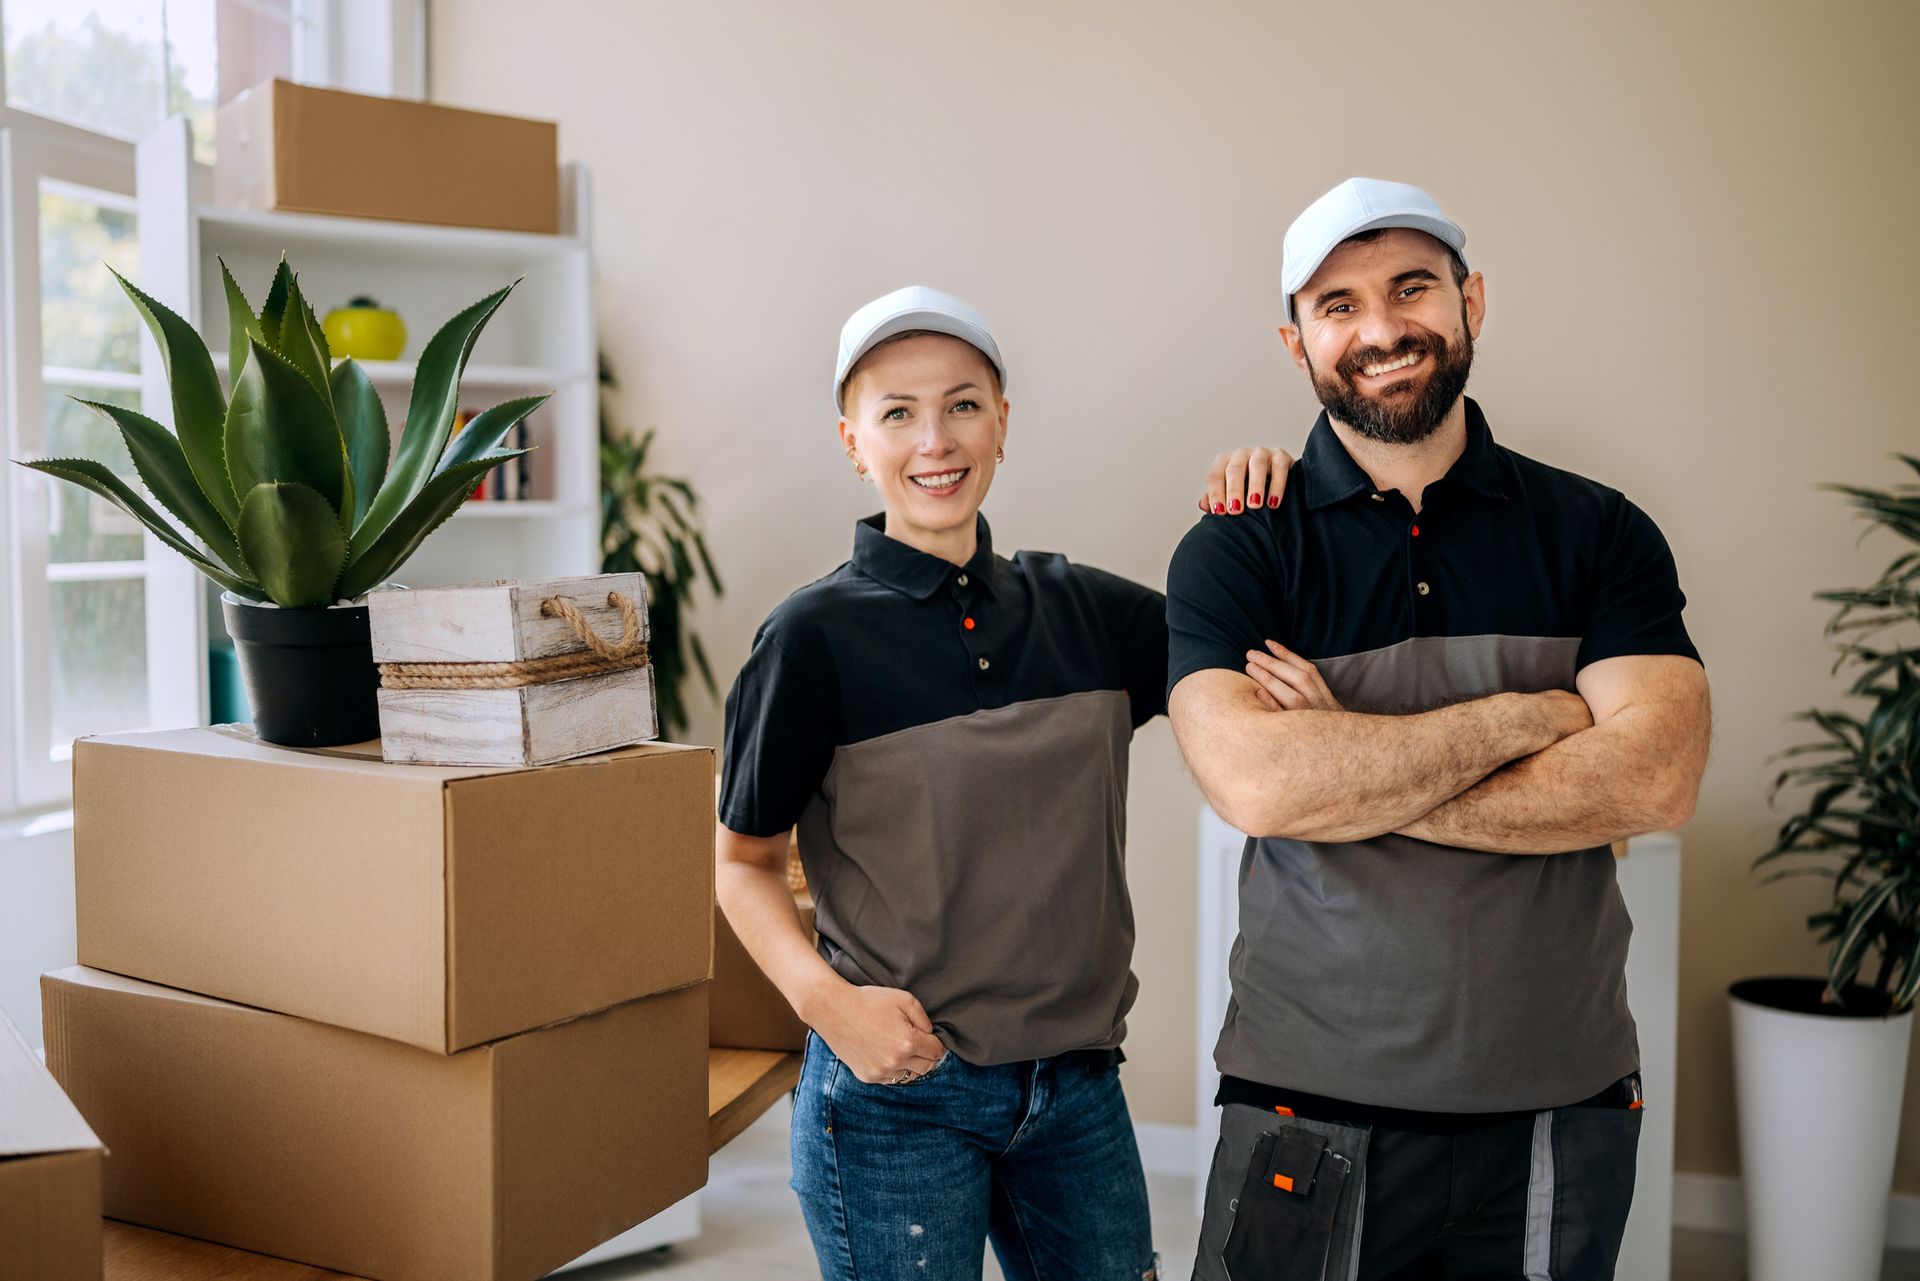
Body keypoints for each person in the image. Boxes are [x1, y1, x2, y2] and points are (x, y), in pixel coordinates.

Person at [1167, 178, 1712, 1280]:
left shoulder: (1599, 532)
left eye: (1413, 288)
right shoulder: (1240, 549)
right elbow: (1263, 788)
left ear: (1470, 300)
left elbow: (1656, 781)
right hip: (1304, 1106)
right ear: (1297, 342)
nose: (1381, 330)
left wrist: (1356, 775)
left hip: (1562, 1099)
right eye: (1339, 306)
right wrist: (1529, 720)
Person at [716, 285, 1284, 1281]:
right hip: (897, 1093)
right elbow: (742, 862)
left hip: (1077, 1091)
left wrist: (1268, 499)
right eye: (897, 412)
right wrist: (827, 1006)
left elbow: (1258, 645)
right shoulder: (811, 642)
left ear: (1003, 423)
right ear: (855, 441)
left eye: (964, 404)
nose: (935, 438)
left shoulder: (1089, 616)